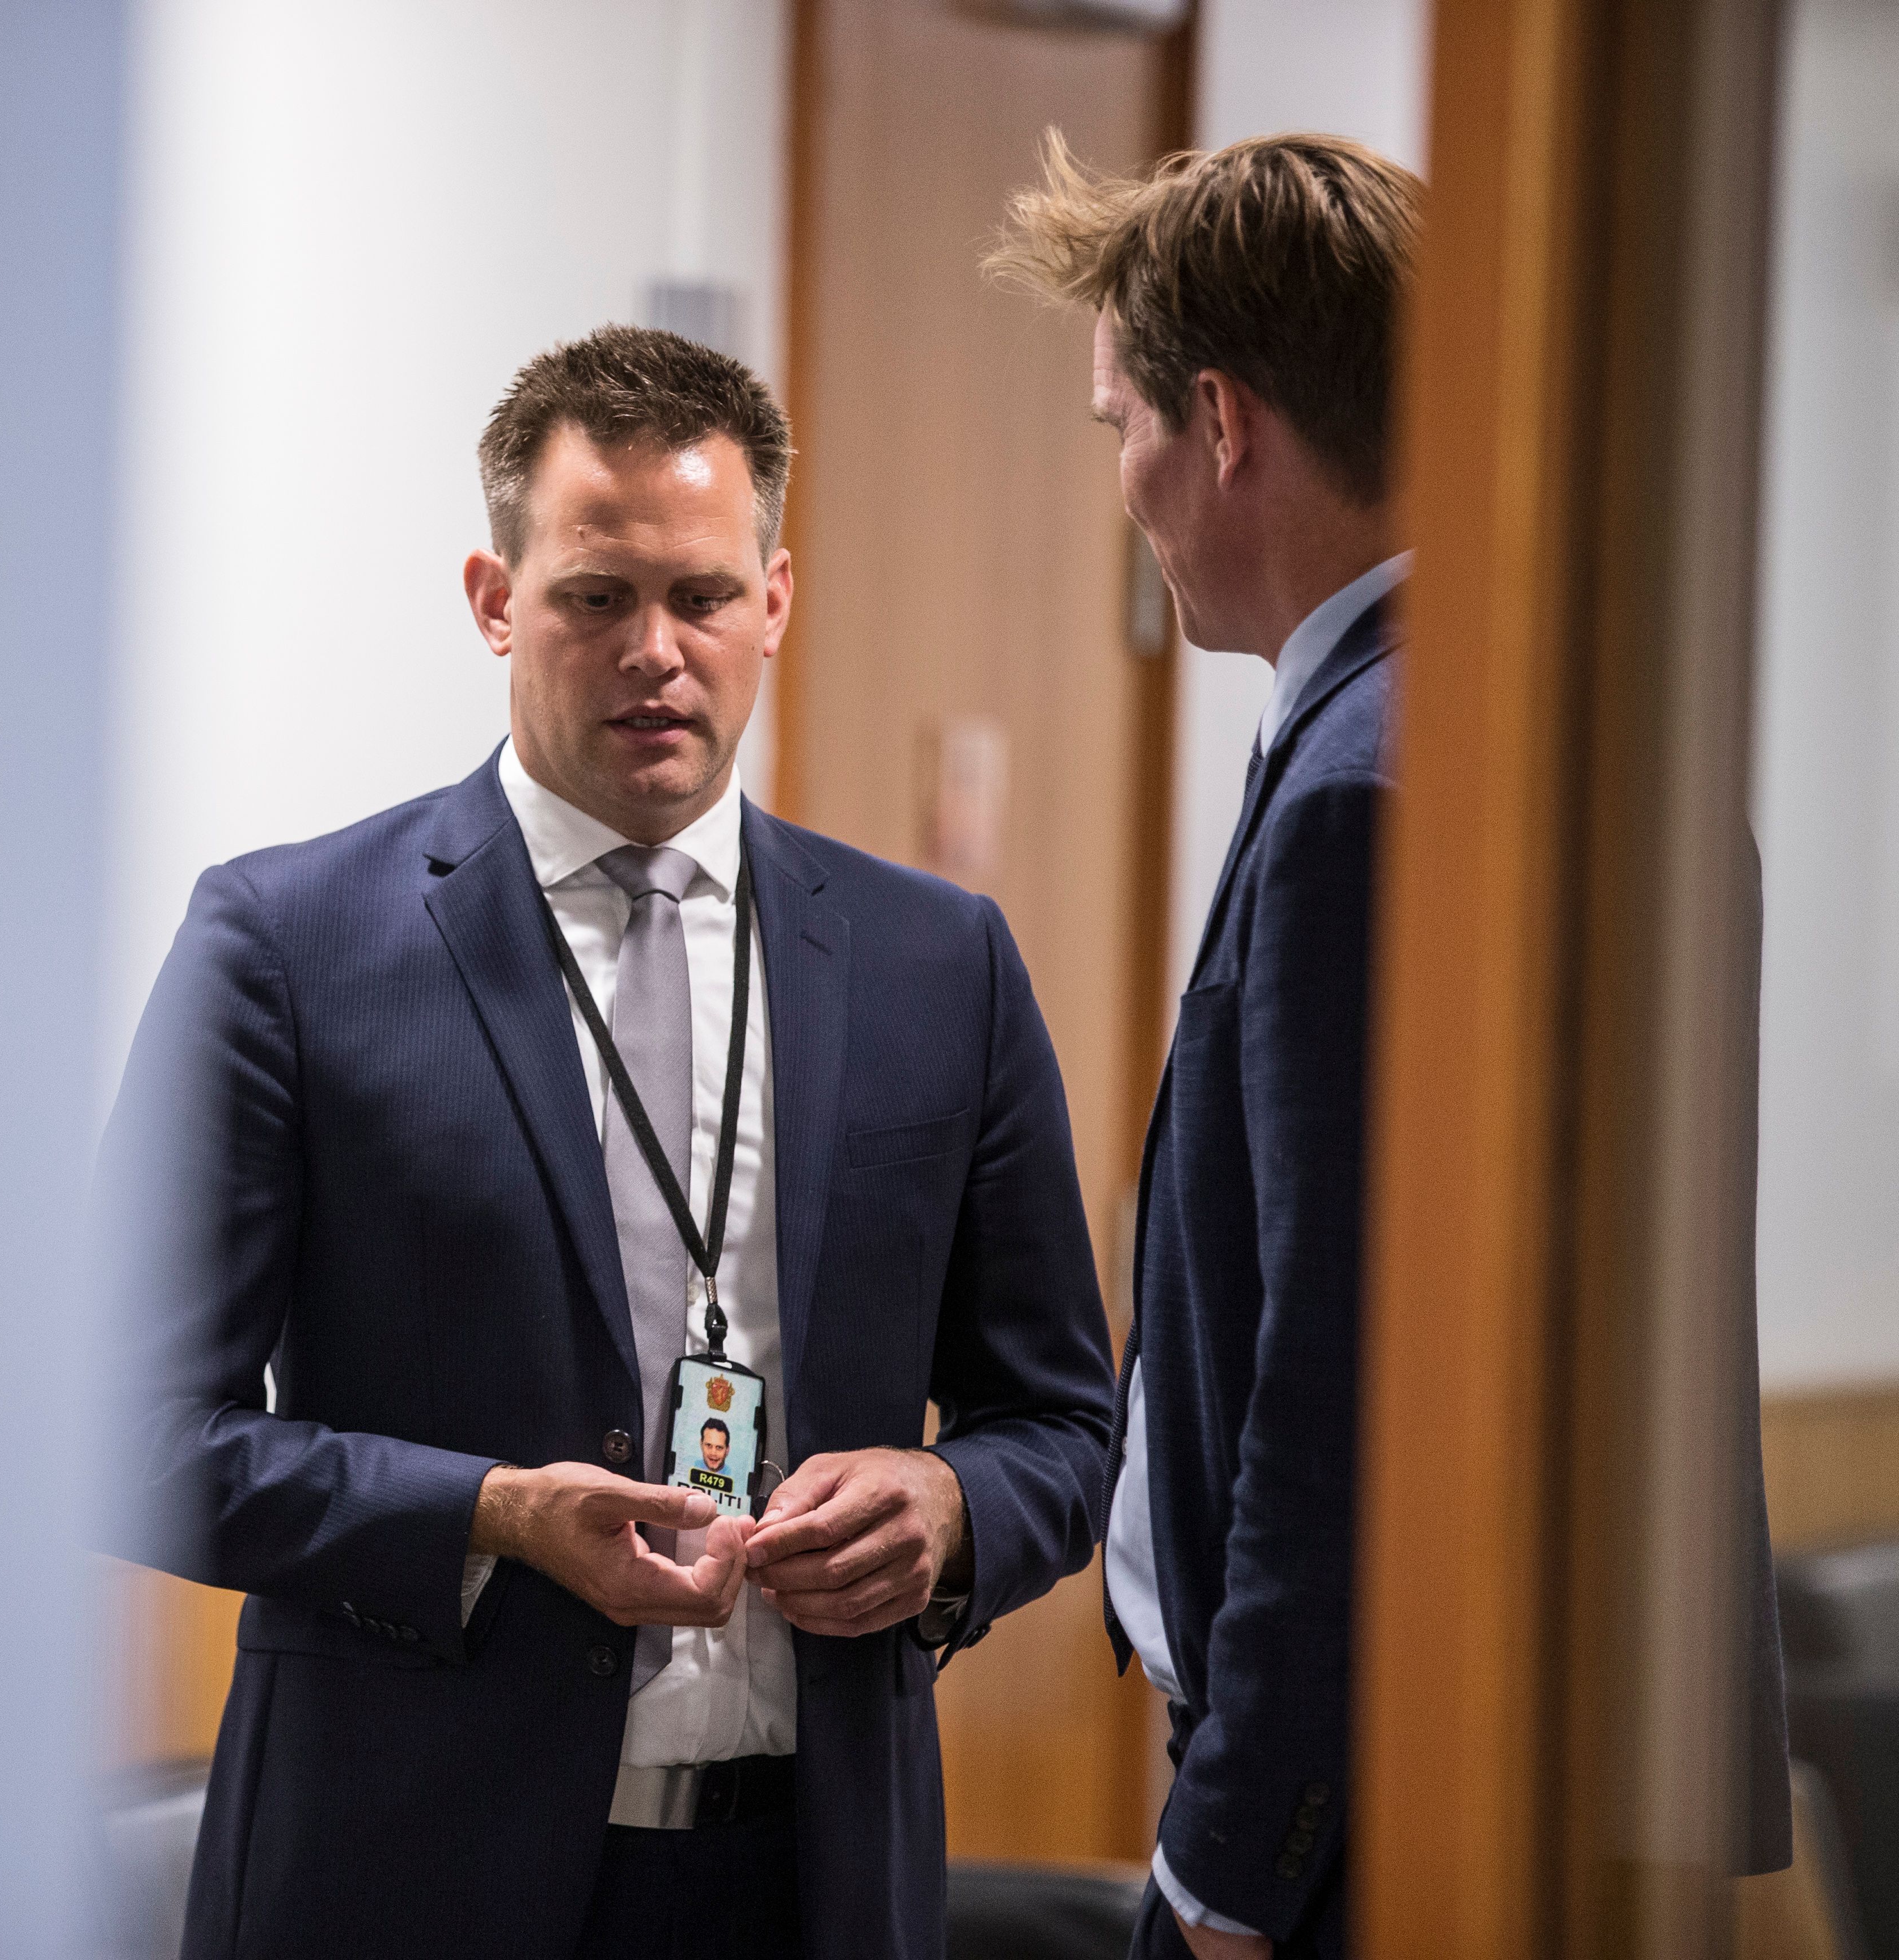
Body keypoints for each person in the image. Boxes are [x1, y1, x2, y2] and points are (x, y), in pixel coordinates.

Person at [107, 325, 1115, 1959]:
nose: (657, 650)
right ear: (495, 601)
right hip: (402, 1880)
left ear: (774, 601)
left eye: (702, 596)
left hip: (810, 1884)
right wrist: (491, 1515)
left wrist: (948, 1503)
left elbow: (1064, 1422)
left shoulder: (943, 965)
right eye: (596, 596)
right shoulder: (289, 947)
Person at [988, 132, 1793, 1958]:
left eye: (1120, 426)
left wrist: (1231, 1861)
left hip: (1367, 1827)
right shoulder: (1596, 733)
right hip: (1587, 1783)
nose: (1122, 484)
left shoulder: (1370, 786)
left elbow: (1342, 1387)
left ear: (1221, 422)